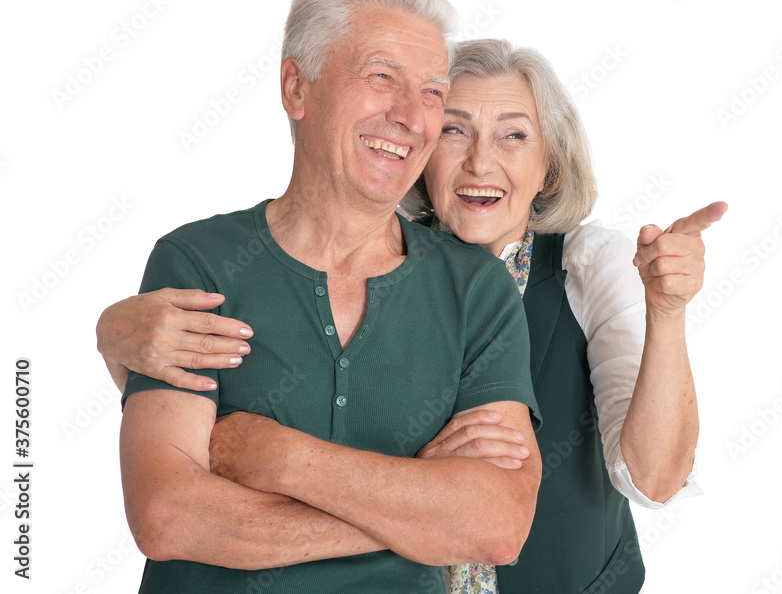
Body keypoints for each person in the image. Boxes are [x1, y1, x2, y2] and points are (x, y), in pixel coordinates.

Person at [100, 38, 724, 592]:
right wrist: (110, 338)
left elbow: (652, 479)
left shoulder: (588, 265)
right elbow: (219, 427)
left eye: (513, 134)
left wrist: (666, 314)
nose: (481, 162)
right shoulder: (358, 258)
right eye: (454, 129)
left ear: (549, 166)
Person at [111, 0, 544, 594]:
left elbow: (497, 525)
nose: (409, 117)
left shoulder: (476, 290)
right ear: (296, 87)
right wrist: (419, 507)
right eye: (380, 77)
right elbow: (168, 517)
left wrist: (287, 461)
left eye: (430, 93)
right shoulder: (198, 264)